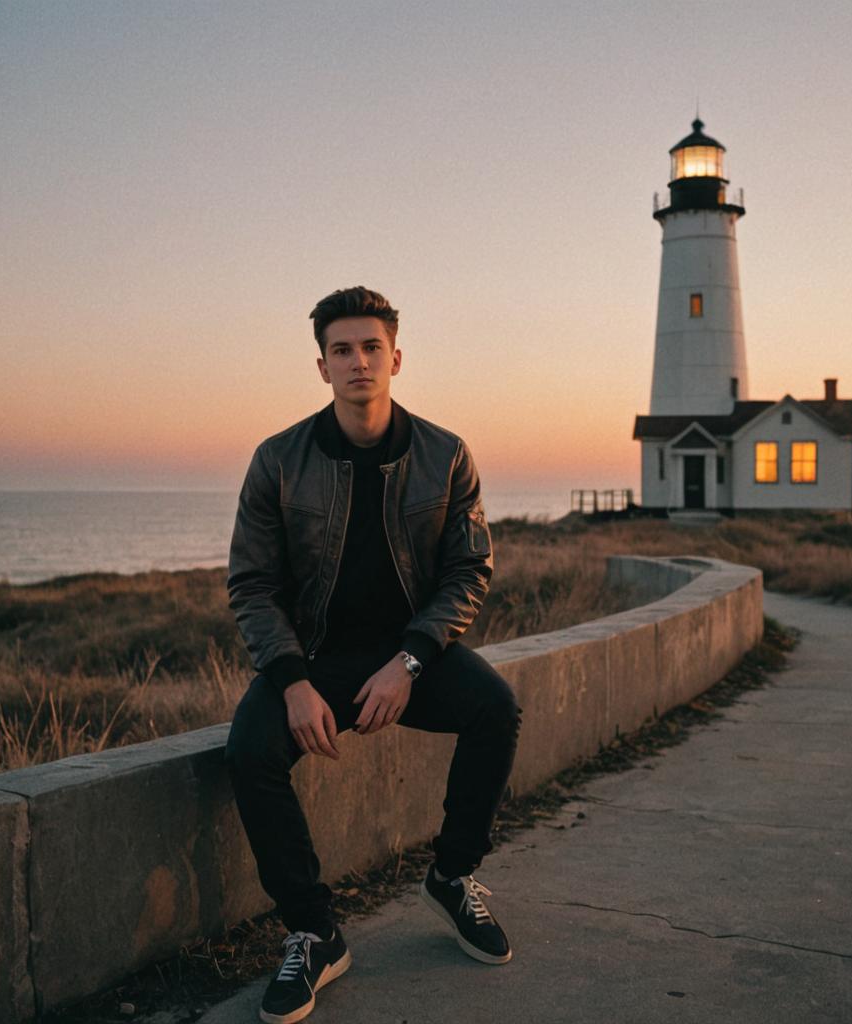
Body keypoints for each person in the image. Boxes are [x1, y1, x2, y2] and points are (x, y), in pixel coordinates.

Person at [225, 286, 521, 1024]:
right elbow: (253, 585)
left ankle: (452, 878)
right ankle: (314, 930)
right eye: (341, 350)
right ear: (321, 367)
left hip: (409, 655)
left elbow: (468, 571)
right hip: (314, 658)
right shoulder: (278, 461)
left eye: (371, 348)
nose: (358, 362)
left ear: (397, 359)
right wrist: (291, 681)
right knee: (249, 751)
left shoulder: (445, 455)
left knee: (496, 708)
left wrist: (413, 661)